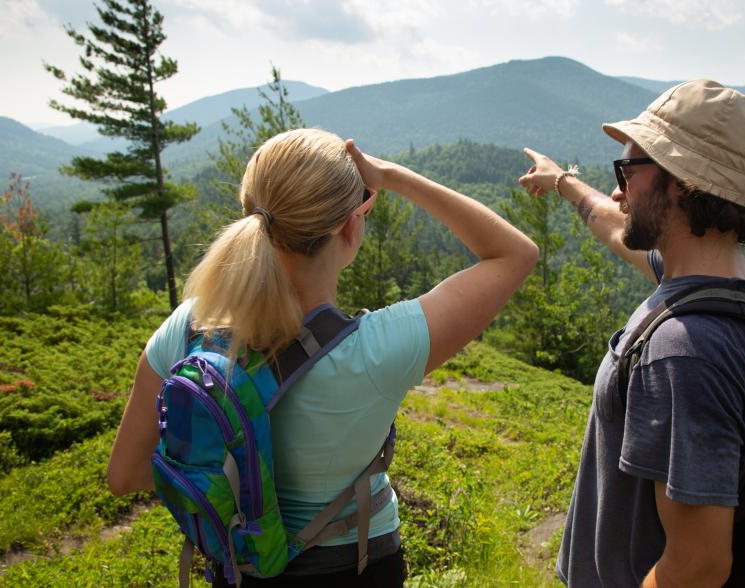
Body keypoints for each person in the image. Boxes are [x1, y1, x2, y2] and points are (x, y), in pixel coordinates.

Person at [107, 128, 538, 587]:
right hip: (353, 568)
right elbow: (514, 254)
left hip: (240, 568)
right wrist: (393, 177)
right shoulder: (376, 351)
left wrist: (229, 478)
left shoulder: (192, 327)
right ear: (351, 225)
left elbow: (125, 474)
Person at [519, 80, 745, 587]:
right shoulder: (741, 284)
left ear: (681, 182)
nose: (617, 188)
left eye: (628, 170)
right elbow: (615, 224)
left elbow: (698, 564)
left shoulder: (686, 350)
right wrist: (561, 181)